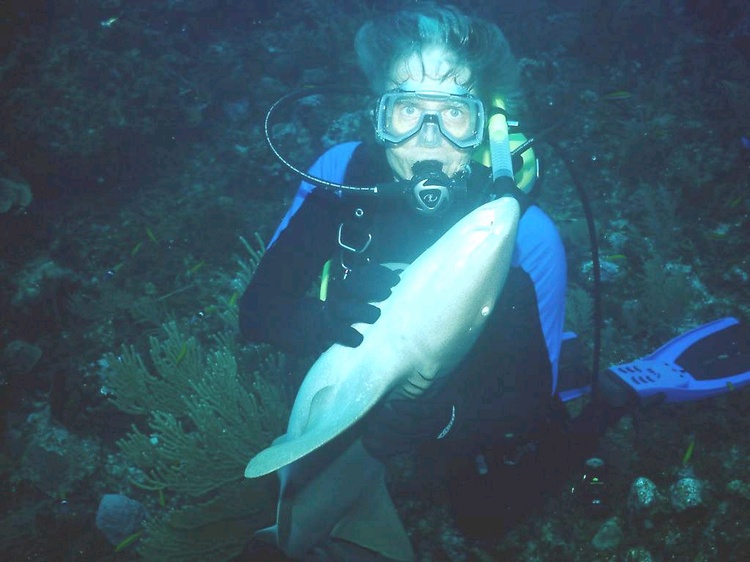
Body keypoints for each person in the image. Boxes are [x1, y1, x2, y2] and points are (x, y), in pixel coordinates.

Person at [240, 3, 569, 558]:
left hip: (462, 400)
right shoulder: (342, 177)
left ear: (487, 127)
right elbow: (255, 314)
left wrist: (444, 423)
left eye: (454, 114)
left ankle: (609, 396)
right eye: (407, 110)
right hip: (341, 397)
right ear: (377, 115)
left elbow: (534, 400)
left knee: (488, 516)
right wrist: (320, 320)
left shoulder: (524, 235)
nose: (428, 138)